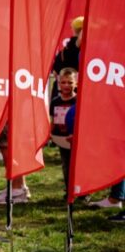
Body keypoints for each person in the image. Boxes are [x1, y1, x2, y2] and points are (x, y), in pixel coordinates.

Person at [49, 68, 77, 196]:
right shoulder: (55, 101)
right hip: (61, 139)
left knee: (77, 165)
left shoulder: (78, 101)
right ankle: (69, 189)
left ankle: (80, 190)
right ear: (59, 83)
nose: (66, 85)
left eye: (70, 82)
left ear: (76, 83)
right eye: (64, 82)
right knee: (66, 165)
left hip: (75, 139)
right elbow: (53, 120)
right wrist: (50, 134)